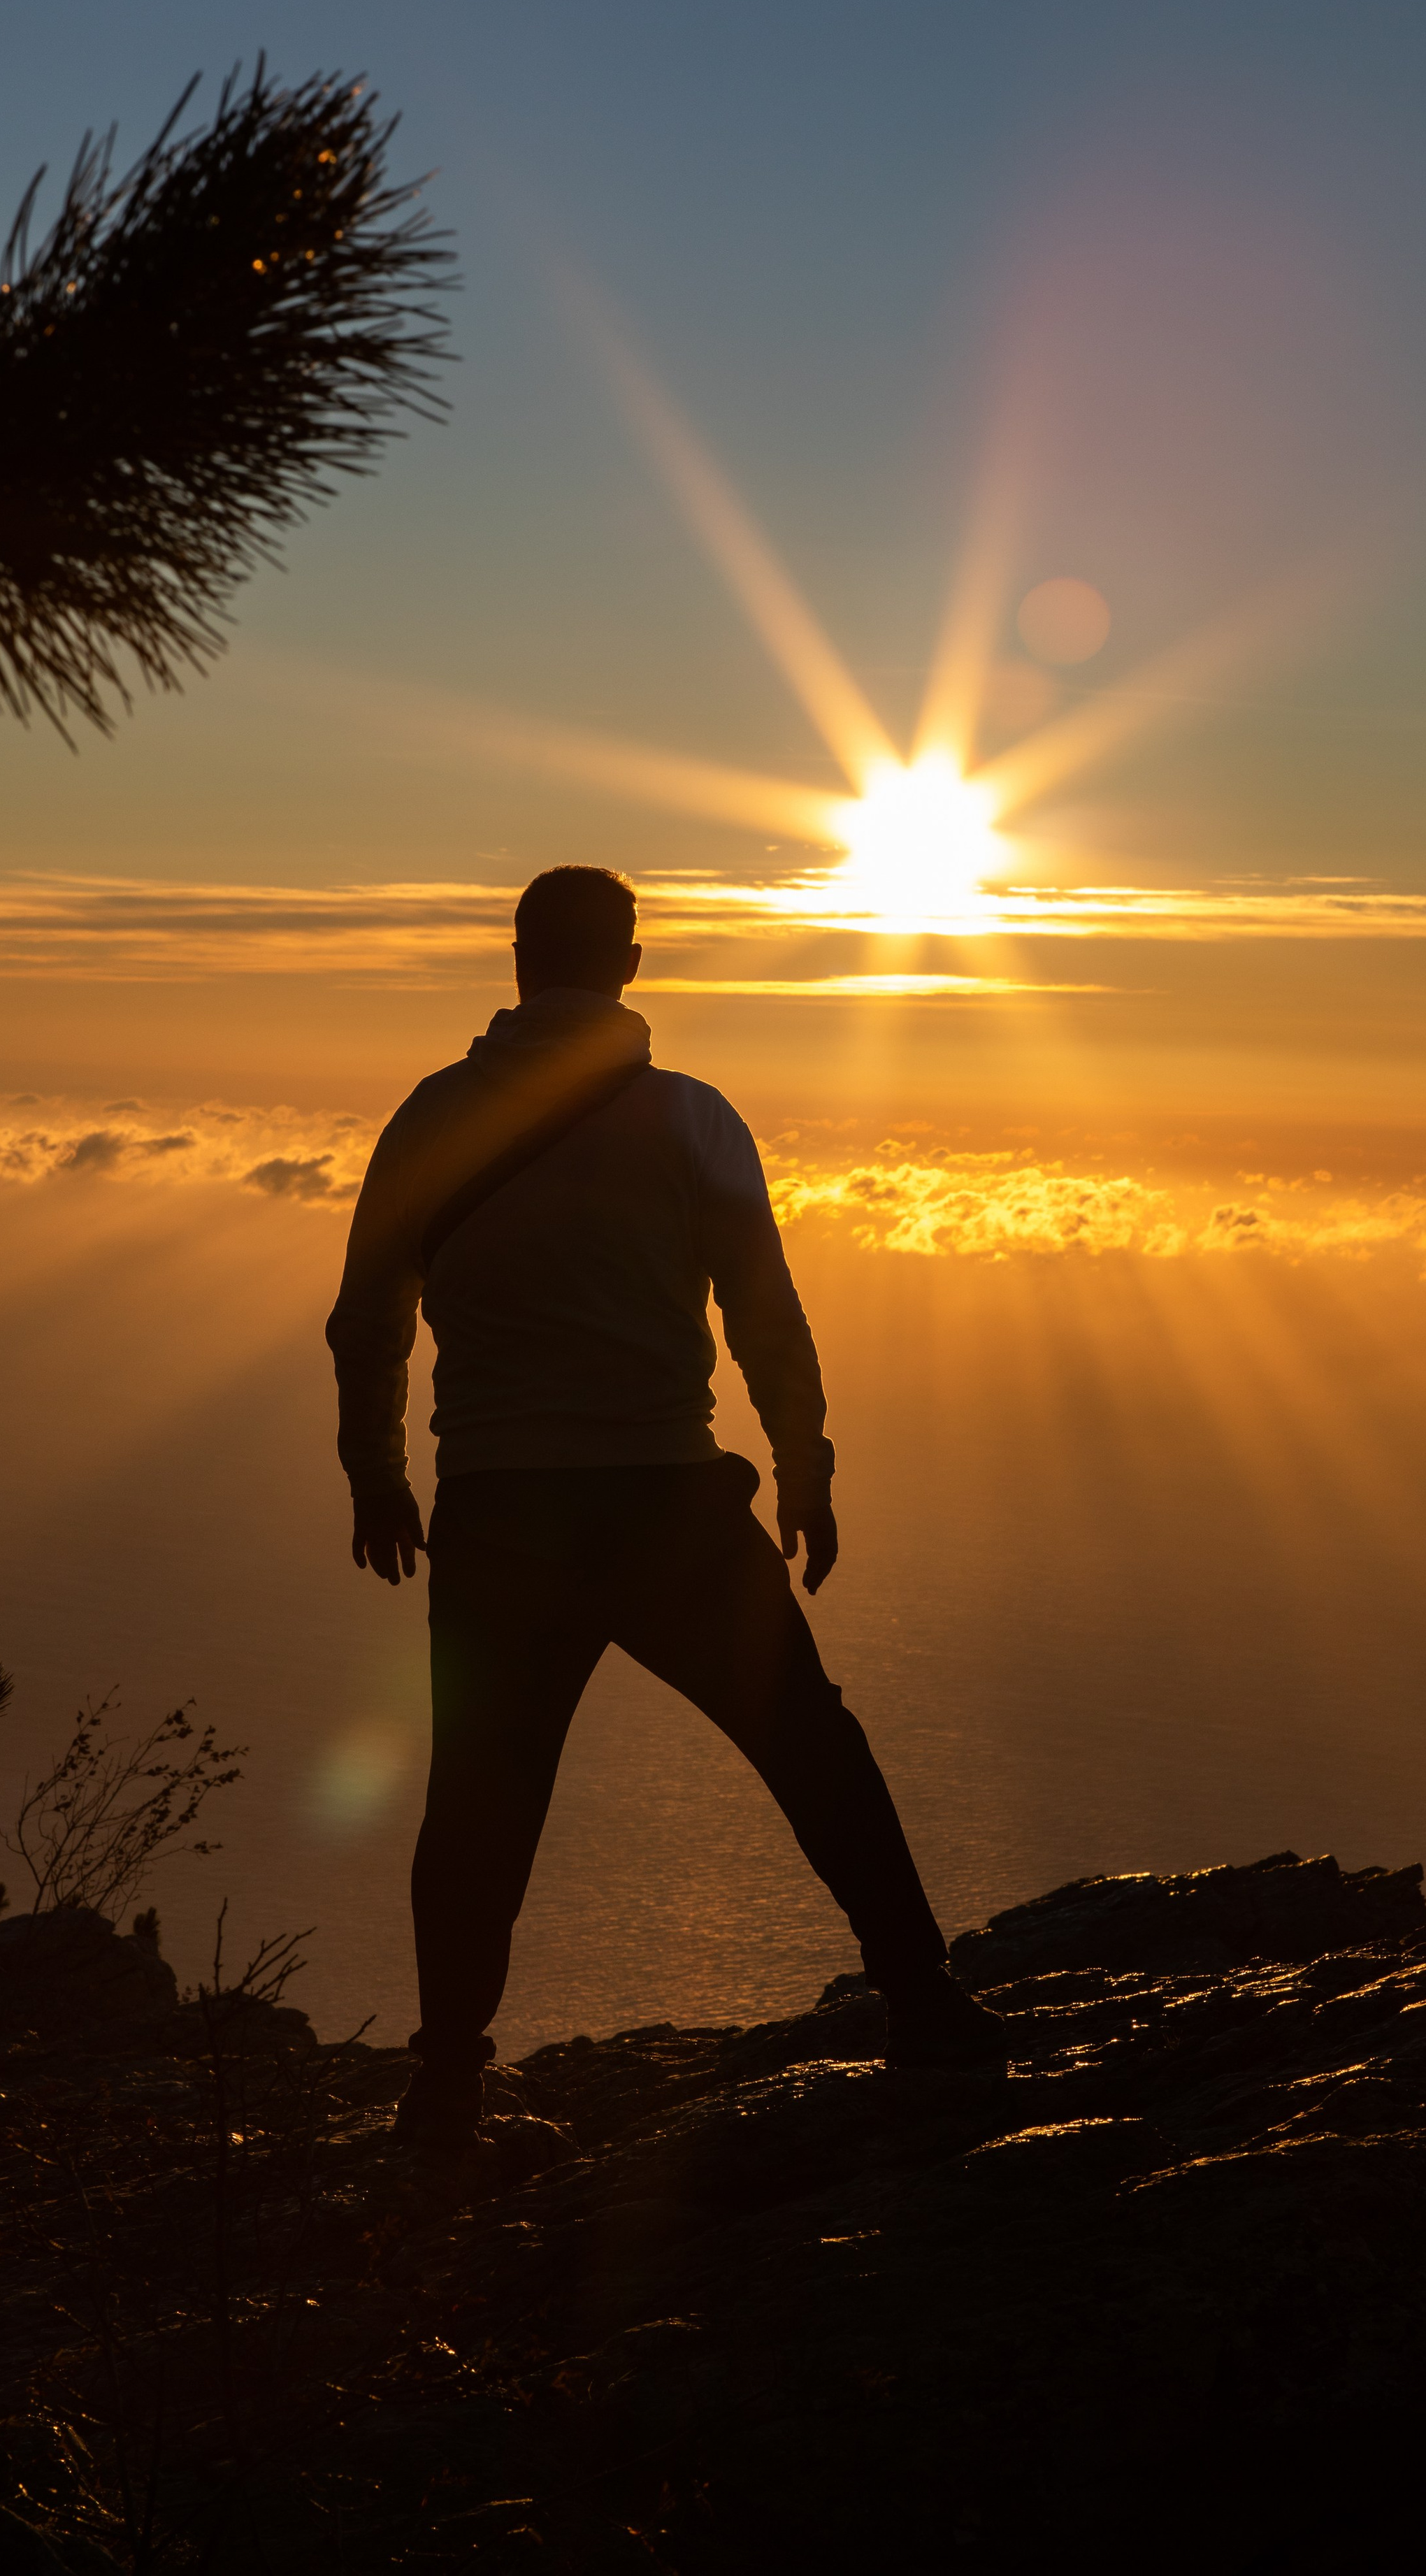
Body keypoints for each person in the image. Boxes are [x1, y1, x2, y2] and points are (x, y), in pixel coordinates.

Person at [326, 865, 1004, 2147]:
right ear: (631, 966)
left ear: (517, 959)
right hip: (668, 1507)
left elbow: (370, 1319)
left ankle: (447, 2083)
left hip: (499, 1512)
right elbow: (764, 1314)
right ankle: (921, 2001)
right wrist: (805, 1467)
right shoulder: (694, 1121)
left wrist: (377, 1476)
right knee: (814, 1750)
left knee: (479, 1797)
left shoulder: (431, 1120)